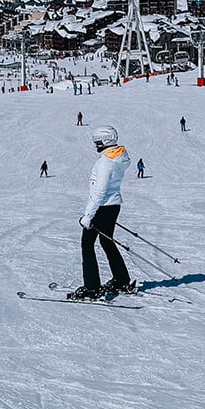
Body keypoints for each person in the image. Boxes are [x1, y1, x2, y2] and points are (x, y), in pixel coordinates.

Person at [70, 125, 134, 300]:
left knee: (87, 243)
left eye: (98, 142)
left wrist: (88, 216)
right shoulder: (119, 157)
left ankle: (92, 288)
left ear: (105, 141)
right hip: (114, 205)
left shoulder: (105, 162)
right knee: (107, 241)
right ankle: (121, 280)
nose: (96, 146)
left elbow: (99, 191)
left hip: (102, 206)